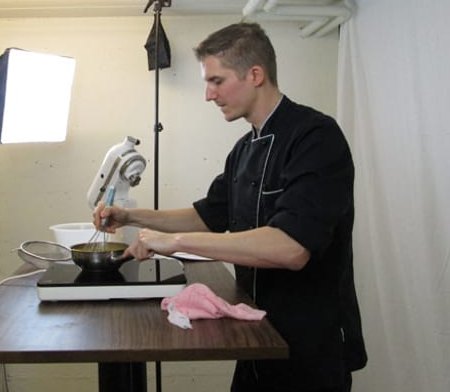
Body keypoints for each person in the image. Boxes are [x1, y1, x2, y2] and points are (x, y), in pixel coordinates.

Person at [93, 22, 367, 392]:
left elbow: (291, 248)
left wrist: (175, 243)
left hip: (310, 342)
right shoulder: (243, 149)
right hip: (253, 329)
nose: (208, 95)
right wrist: (131, 216)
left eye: (217, 81)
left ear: (255, 74)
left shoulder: (315, 138)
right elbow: (208, 216)